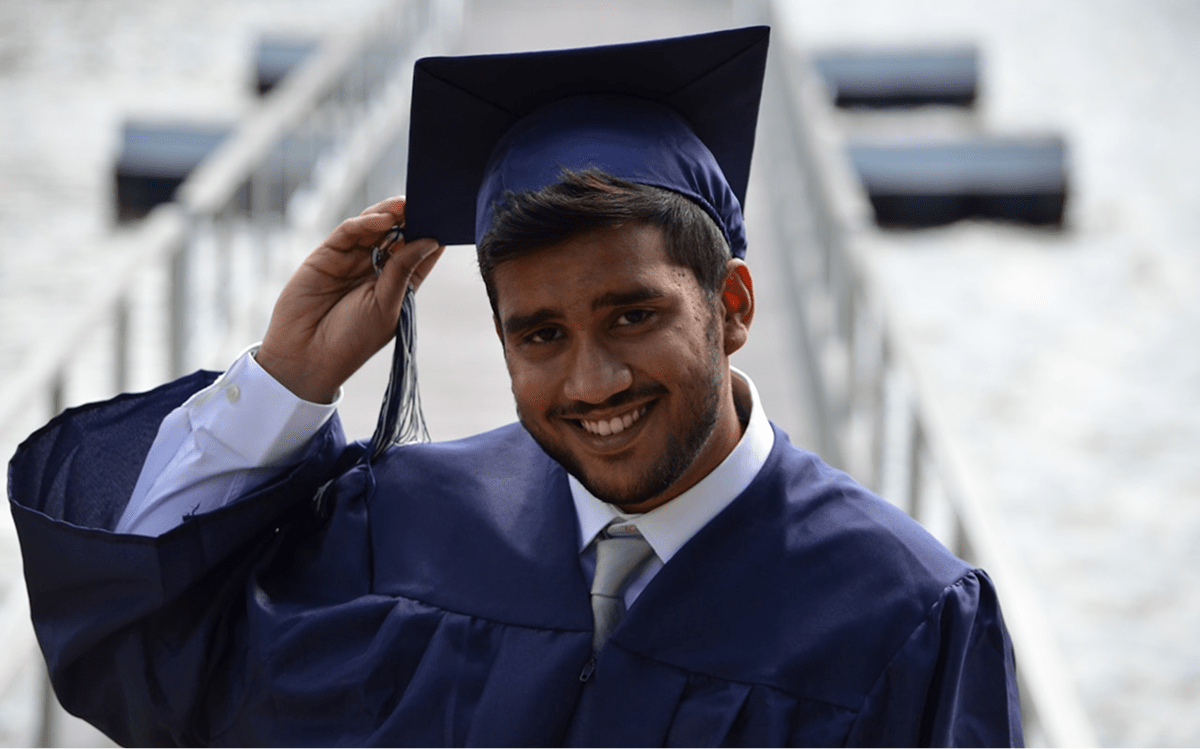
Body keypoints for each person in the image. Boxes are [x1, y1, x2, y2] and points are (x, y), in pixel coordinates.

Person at [8, 27, 1022, 748]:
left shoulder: (904, 613)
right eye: (539, 333)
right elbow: (145, 657)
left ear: (735, 305)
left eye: (634, 313)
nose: (591, 378)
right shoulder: (398, 524)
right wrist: (287, 381)